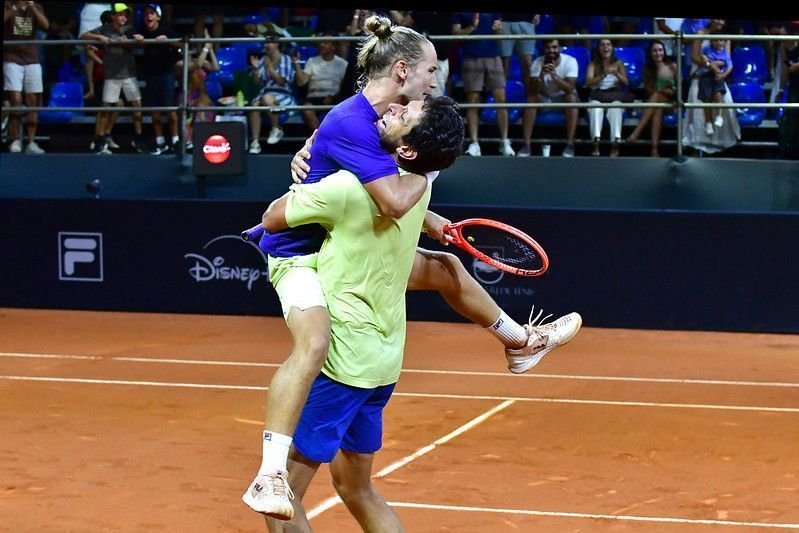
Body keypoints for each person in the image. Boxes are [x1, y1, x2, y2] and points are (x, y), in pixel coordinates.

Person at [241, 14, 582, 521]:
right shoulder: (360, 128)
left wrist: (437, 220)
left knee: (445, 267)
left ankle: (518, 341)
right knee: (313, 342)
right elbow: (394, 200)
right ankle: (270, 471)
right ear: (402, 70)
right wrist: (430, 177)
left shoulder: (390, 126)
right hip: (301, 251)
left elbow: (396, 186)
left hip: (348, 246)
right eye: (431, 73)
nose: (434, 83)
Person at [254, 95, 465, 532]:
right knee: (356, 488)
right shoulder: (418, 191)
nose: (392, 108)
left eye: (403, 113)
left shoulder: (349, 189)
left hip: (343, 365)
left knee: (281, 496)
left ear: (407, 149)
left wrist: (312, 171)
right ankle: (513, 335)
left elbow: (272, 219)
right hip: (383, 365)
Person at [81, 3, 147, 155]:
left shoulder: (130, 29)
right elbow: (84, 36)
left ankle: (138, 138)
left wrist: (137, 39)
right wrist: (98, 37)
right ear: (113, 16)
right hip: (112, 75)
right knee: (106, 107)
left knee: (137, 105)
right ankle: (101, 139)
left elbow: (138, 40)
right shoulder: (105, 29)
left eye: (125, 15)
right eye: (120, 15)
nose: (123, 17)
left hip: (129, 74)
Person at [451, 11, 515, 156]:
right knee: (473, 101)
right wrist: (472, 27)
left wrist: (499, 29)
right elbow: (455, 33)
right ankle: (474, 143)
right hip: (471, 57)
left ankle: (504, 141)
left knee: (501, 99)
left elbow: (500, 36)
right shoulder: (461, 14)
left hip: (493, 56)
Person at [682, 19, 741, 155]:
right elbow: (695, 57)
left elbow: (726, 60)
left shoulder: (725, 38)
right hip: (701, 75)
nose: (720, 21)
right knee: (700, 104)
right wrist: (709, 65)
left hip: (717, 77)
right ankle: (697, 146)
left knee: (725, 102)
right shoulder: (700, 33)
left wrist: (722, 72)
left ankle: (722, 148)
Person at [518, 38, 579, 157]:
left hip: (562, 99)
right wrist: (540, 76)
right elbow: (532, 90)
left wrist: (554, 76)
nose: (551, 51)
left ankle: (570, 144)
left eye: (554, 47)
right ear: (544, 49)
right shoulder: (537, 62)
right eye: (548, 48)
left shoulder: (570, 61)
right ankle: (526, 145)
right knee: (531, 99)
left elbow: (570, 88)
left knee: (571, 98)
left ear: (559, 48)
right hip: (544, 97)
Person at [3, 0, 49, 154]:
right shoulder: (8, 5)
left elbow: (46, 25)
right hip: (12, 58)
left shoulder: (36, 6)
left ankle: (31, 142)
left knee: (33, 101)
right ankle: (15, 140)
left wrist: (32, 8)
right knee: (15, 100)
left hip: (32, 59)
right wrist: (16, 7)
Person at [136, 3, 180, 155]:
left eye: (152, 13)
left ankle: (175, 141)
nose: (149, 16)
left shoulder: (166, 30)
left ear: (158, 17)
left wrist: (168, 40)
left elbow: (181, 43)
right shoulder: (141, 30)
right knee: (154, 110)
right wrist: (135, 38)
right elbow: (128, 36)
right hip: (151, 75)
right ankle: (160, 142)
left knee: (170, 109)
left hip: (166, 74)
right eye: (146, 13)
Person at [625, 40, 677, 157]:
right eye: (654, 51)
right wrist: (663, 90)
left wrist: (669, 91)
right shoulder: (647, 69)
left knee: (656, 97)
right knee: (657, 108)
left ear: (664, 52)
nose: (658, 53)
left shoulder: (672, 66)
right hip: (655, 103)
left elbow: (679, 89)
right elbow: (648, 90)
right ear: (650, 53)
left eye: (660, 50)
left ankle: (636, 133)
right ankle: (654, 150)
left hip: (671, 102)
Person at [247, 31, 297, 153]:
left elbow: (281, 81)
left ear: (276, 44)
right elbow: (256, 82)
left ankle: (276, 128)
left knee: (266, 98)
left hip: (283, 95)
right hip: (265, 93)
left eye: (269, 42)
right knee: (254, 106)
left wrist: (269, 68)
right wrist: (255, 69)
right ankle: (255, 142)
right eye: (265, 42)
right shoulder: (264, 59)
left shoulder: (285, 59)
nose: (265, 45)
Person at [584, 38, 634, 157]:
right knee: (595, 108)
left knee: (615, 108)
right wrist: (603, 75)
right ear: (599, 48)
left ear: (612, 47)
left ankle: (615, 143)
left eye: (608, 44)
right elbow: (588, 82)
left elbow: (626, 83)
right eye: (602, 45)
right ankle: (595, 142)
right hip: (598, 96)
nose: (605, 47)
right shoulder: (593, 64)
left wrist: (616, 73)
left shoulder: (619, 63)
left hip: (614, 96)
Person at [292, 33, 348, 132]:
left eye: (325, 43)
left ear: (333, 47)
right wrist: (297, 63)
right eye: (321, 42)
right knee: (307, 109)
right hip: (314, 97)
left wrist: (333, 97)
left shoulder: (342, 64)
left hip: (333, 98)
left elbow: (344, 87)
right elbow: (301, 82)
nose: (321, 44)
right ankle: (321, 138)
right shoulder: (312, 61)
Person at [697, 38, 733, 135]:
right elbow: (703, 59)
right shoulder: (706, 49)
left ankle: (719, 117)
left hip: (719, 77)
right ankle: (708, 123)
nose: (718, 42)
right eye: (715, 40)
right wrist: (712, 64)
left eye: (721, 40)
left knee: (718, 93)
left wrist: (723, 75)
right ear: (711, 41)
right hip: (706, 76)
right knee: (707, 100)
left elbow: (729, 66)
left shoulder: (725, 53)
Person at [498, 12, 540, 90]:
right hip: (504, 22)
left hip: (526, 22)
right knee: (503, 65)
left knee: (527, 65)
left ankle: (529, 97)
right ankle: (503, 97)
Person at [778, 25, 799, 158]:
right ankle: (790, 150)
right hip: (795, 84)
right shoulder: (784, 44)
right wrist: (781, 88)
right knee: (792, 115)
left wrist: (797, 66)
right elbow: (786, 69)